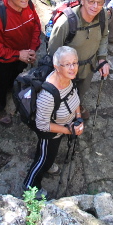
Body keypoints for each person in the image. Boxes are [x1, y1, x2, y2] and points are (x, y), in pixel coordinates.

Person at [23, 46, 84, 196]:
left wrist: (78, 117)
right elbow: (42, 125)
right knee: (43, 159)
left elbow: (74, 97)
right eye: (67, 64)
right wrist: (69, 130)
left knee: (49, 156)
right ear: (57, 67)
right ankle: (30, 185)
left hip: (63, 127)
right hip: (50, 135)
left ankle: (48, 164)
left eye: (75, 63)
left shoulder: (68, 78)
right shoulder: (47, 96)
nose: (72, 68)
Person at [46, 0, 111, 118]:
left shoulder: (103, 15)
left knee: (82, 90)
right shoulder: (65, 23)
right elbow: (52, 53)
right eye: (91, 1)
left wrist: (102, 59)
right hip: (66, 70)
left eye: (100, 2)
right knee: (63, 96)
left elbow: (104, 36)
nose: (95, 6)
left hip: (88, 67)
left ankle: (77, 106)